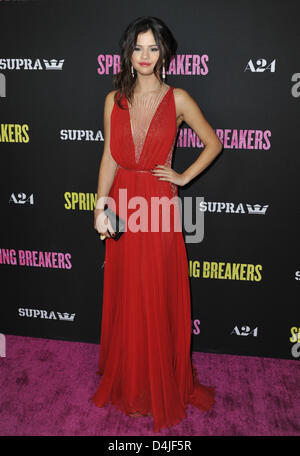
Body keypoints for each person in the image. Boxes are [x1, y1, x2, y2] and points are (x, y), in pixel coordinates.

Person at [90, 16, 222, 433]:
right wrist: (100, 206)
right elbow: (110, 155)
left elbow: (213, 143)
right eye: (138, 48)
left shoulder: (179, 98)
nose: (145, 57)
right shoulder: (114, 100)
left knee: (157, 291)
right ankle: (131, 380)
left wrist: (182, 177)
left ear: (164, 53)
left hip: (159, 207)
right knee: (128, 292)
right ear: (128, 53)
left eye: (153, 48)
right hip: (123, 203)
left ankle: (160, 381)